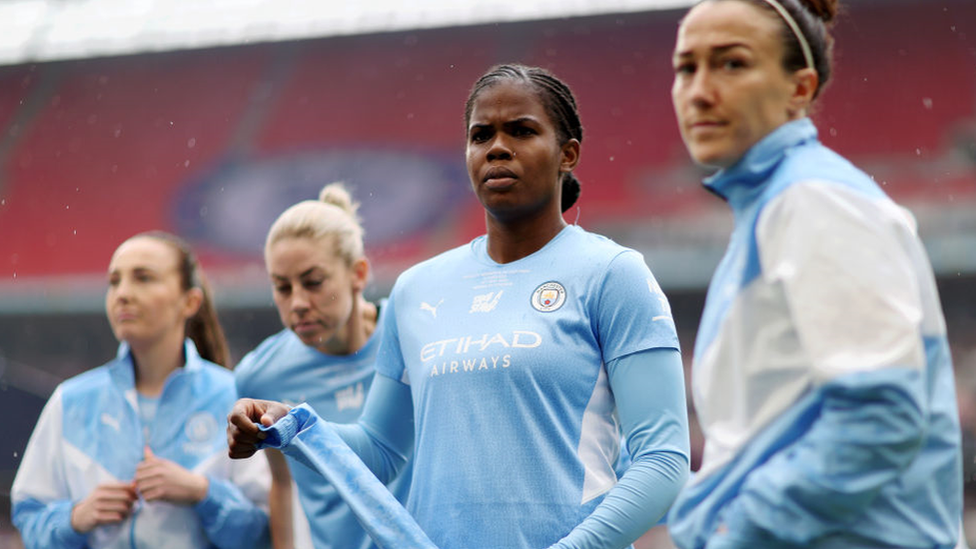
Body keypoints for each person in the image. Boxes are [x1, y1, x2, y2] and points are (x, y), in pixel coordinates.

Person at [227, 63, 691, 549]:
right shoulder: (416, 289)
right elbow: (382, 450)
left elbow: (663, 459)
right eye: (481, 135)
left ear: (567, 154)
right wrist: (290, 424)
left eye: (522, 131)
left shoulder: (614, 274)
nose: (497, 147)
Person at [664, 1, 964, 548]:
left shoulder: (815, 201)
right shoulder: (776, 205)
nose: (700, 90)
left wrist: (738, 531)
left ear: (799, 89)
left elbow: (880, 415)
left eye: (731, 64)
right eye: (687, 67)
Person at [11, 231, 270, 549]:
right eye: (114, 281)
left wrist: (202, 493)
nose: (122, 293)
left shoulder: (235, 399)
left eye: (143, 278)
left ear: (190, 301)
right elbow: (28, 519)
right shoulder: (70, 401)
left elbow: (263, 533)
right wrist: (76, 518)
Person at [233, 182, 411, 549]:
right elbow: (283, 485)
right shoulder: (260, 375)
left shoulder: (413, 337)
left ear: (358, 274)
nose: (297, 302)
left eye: (313, 282)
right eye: (282, 287)